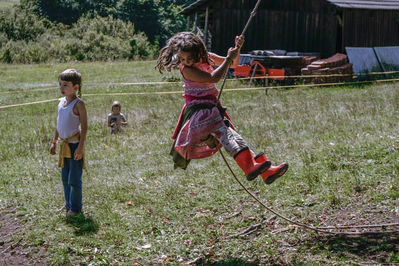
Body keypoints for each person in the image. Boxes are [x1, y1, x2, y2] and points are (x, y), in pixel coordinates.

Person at [156, 32, 288, 184]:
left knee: (233, 136)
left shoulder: (207, 57)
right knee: (227, 135)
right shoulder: (187, 69)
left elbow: (233, 64)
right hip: (200, 111)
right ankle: (249, 167)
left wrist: (236, 50)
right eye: (182, 58)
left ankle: (265, 171)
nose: (186, 61)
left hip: (211, 107)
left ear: (199, 51)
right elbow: (213, 77)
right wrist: (227, 59)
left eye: (189, 58)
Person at [50, 69, 87, 216]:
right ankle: (69, 204)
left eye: (66, 85)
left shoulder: (79, 104)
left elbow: (84, 127)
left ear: (75, 87)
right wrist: (54, 142)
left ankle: (76, 209)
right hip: (64, 146)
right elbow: (59, 124)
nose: (62, 88)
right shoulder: (61, 103)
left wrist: (80, 147)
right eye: (60, 84)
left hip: (74, 146)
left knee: (74, 178)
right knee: (65, 177)